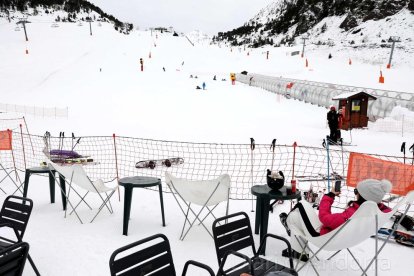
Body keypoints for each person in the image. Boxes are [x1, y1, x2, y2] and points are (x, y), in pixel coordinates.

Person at [280, 179, 392, 261]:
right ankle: (299, 251)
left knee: (301, 205)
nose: (356, 193)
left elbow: (324, 217)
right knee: (295, 218)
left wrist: (330, 196)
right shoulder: (375, 212)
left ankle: (288, 225)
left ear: (362, 195)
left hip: (323, 237)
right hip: (341, 238)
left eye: (356, 191)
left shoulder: (352, 215)